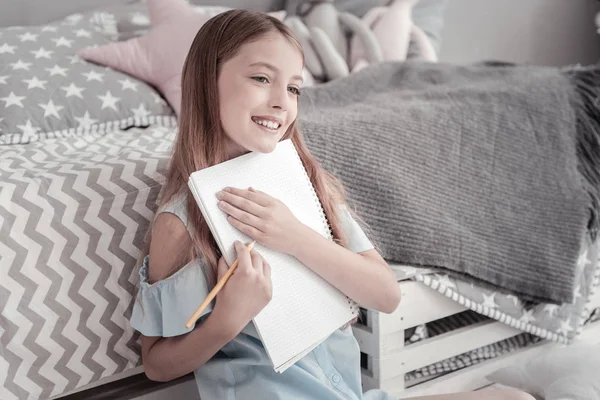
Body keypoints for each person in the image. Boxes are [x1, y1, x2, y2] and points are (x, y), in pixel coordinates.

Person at [131, 9, 535, 400]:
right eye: (260, 78)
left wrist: (295, 237)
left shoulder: (305, 184)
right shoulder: (181, 222)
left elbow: (385, 295)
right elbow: (157, 364)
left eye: (293, 88)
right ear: (207, 82)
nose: (281, 102)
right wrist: (226, 320)